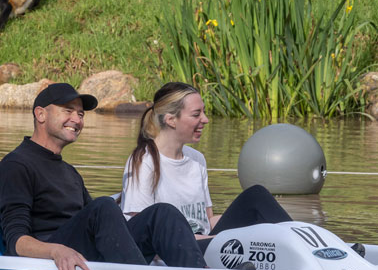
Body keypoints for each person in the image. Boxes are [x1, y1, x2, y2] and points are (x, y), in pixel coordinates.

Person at [0, 83, 206, 270]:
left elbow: (94, 223)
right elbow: (16, 241)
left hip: (81, 255)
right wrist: (56, 251)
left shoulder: (69, 172)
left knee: (162, 214)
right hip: (51, 258)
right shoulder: (16, 166)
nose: (77, 120)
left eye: (80, 114)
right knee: (103, 206)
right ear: (40, 114)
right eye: (68, 111)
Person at [119, 82, 293, 253]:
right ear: (171, 120)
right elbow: (142, 234)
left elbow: (207, 221)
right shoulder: (143, 161)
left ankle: (301, 244)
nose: (205, 119)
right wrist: (230, 240)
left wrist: (253, 226)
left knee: (256, 197)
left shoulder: (197, 160)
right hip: (174, 252)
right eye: (196, 114)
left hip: (207, 244)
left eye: (204, 112)